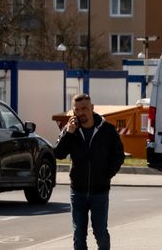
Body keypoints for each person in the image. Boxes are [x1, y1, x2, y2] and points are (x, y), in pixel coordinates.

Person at [53, 93, 125, 250]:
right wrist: (68, 133)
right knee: (79, 235)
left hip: (100, 191)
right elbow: (58, 153)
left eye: (84, 108)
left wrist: (107, 175)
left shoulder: (107, 130)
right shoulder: (70, 130)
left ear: (92, 108)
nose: (81, 113)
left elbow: (118, 155)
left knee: (100, 233)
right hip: (78, 191)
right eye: (77, 109)